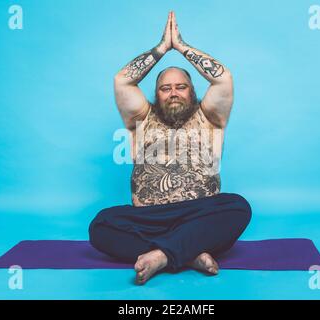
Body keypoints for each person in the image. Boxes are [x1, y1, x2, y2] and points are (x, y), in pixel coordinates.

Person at [89, 11, 252, 285]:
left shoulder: (210, 118)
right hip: (148, 218)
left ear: (192, 91)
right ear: (156, 94)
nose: (174, 92)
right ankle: (187, 253)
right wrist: (163, 48)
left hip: (200, 214)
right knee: (101, 226)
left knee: (238, 207)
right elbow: (122, 80)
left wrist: (182, 46)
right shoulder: (141, 118)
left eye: (181, 87)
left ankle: (162, 254)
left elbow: (223, 78)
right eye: (166, 88)